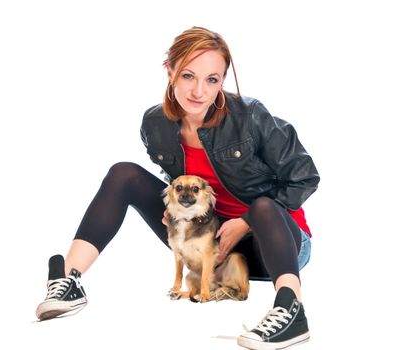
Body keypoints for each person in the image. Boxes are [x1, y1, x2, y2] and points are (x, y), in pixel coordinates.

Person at [36, 26, 320, 350]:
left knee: (262, 206)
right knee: (123, 174)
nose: (199, 90)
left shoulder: (251, 115)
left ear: (222, 81)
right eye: (188, 75)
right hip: (209, 240)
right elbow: (182, 178)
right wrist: (176, 209)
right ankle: (69, 280)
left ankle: (291, 309)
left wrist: (244, 223)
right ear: (169, 71)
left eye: (212, 79)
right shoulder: (155, 124)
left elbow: (305, 176)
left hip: (276, 243)